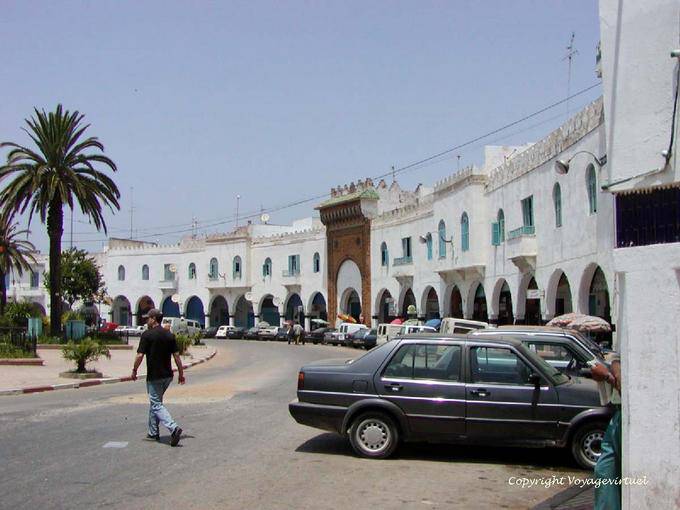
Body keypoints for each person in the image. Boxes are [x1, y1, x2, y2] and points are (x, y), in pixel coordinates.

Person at [131, 308, 185, 446]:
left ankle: (173, 428)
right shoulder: (169, 335)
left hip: (154, 376)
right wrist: (181, 373)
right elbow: (177, 356)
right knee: (155, 403)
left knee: (156, 404)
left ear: (154, 319)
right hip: (167, 376)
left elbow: (139, 355)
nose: (146, 320)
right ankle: (153, 432)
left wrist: (134, 370)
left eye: (148, 318)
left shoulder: (147, 335)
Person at [591, 354, 622, 510]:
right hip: (618, 414)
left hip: (625, 417)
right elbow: (617, 360)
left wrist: (608, 376)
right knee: (604, 471)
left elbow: (627, 388)